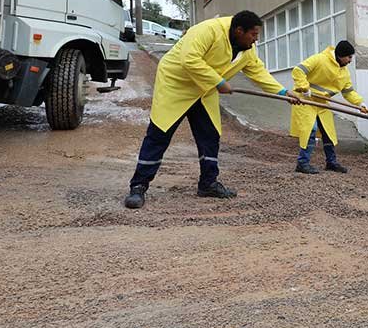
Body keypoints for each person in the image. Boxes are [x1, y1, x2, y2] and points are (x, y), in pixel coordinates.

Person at [123, 11, 298, 209]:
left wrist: (283, 92)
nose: (256, 39)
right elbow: (189, 59)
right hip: (177, 85)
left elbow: (258, 71)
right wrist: (219, 81)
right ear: (239, 30)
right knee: (159, 133)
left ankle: (208, 184)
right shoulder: (207, 30)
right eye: (254, 34)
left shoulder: (247, 49)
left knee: (210, 135)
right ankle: (138, 186)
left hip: (204, 90)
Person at [291, 40, 367, 174]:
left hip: (322, 103)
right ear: (341, 55)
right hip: (305, 100)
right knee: (310, 130)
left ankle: (331, 163)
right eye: (349, 57)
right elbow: (298, 70)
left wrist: (359, 103)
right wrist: (304, 87)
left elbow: (348, 92)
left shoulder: (344, 72)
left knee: (328, 133)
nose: (350, 60)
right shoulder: (320, 59)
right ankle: (302, 163)